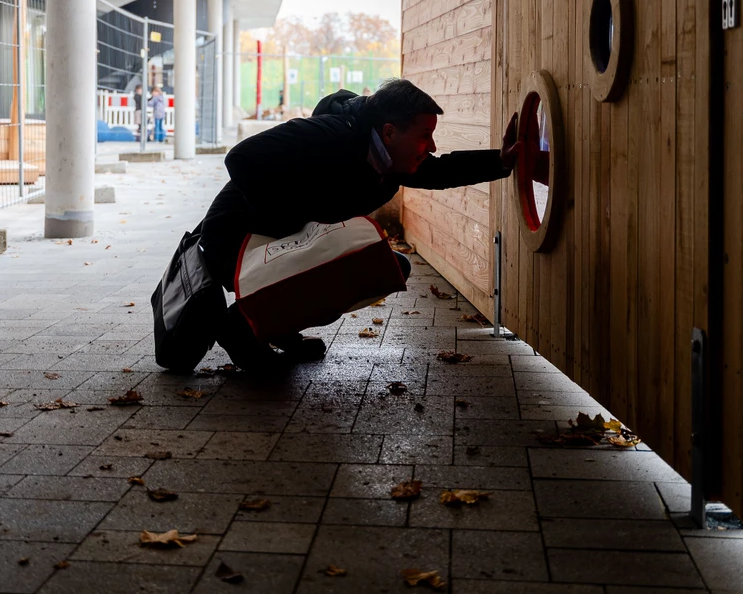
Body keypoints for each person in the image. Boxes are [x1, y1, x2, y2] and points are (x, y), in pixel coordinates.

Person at [184, 78, 521, 373]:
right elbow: (240, 157)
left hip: (277, 242)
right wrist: (292, 227)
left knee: (386, 266)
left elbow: (439, 171)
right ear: (389, 132)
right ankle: (242, 328)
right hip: (234, 241)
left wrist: (501, 161)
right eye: (425, 135)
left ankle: (275, 328)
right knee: (350, 266)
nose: (431, 146)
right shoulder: (330, 135)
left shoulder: (390, 159)